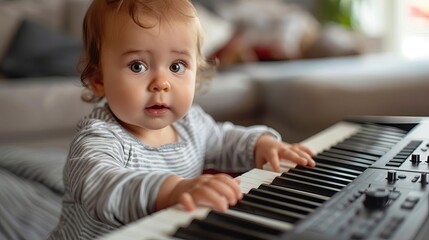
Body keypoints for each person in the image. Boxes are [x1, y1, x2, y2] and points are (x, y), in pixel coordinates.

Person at [48, 0, 315, 239]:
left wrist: (261, 144)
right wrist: (171, 191)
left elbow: (224, 139)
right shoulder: (99, 138)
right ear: (99, 80)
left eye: (177, 66)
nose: (161, 83)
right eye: (137, 66)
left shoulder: (190, 124)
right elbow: (102, 185)